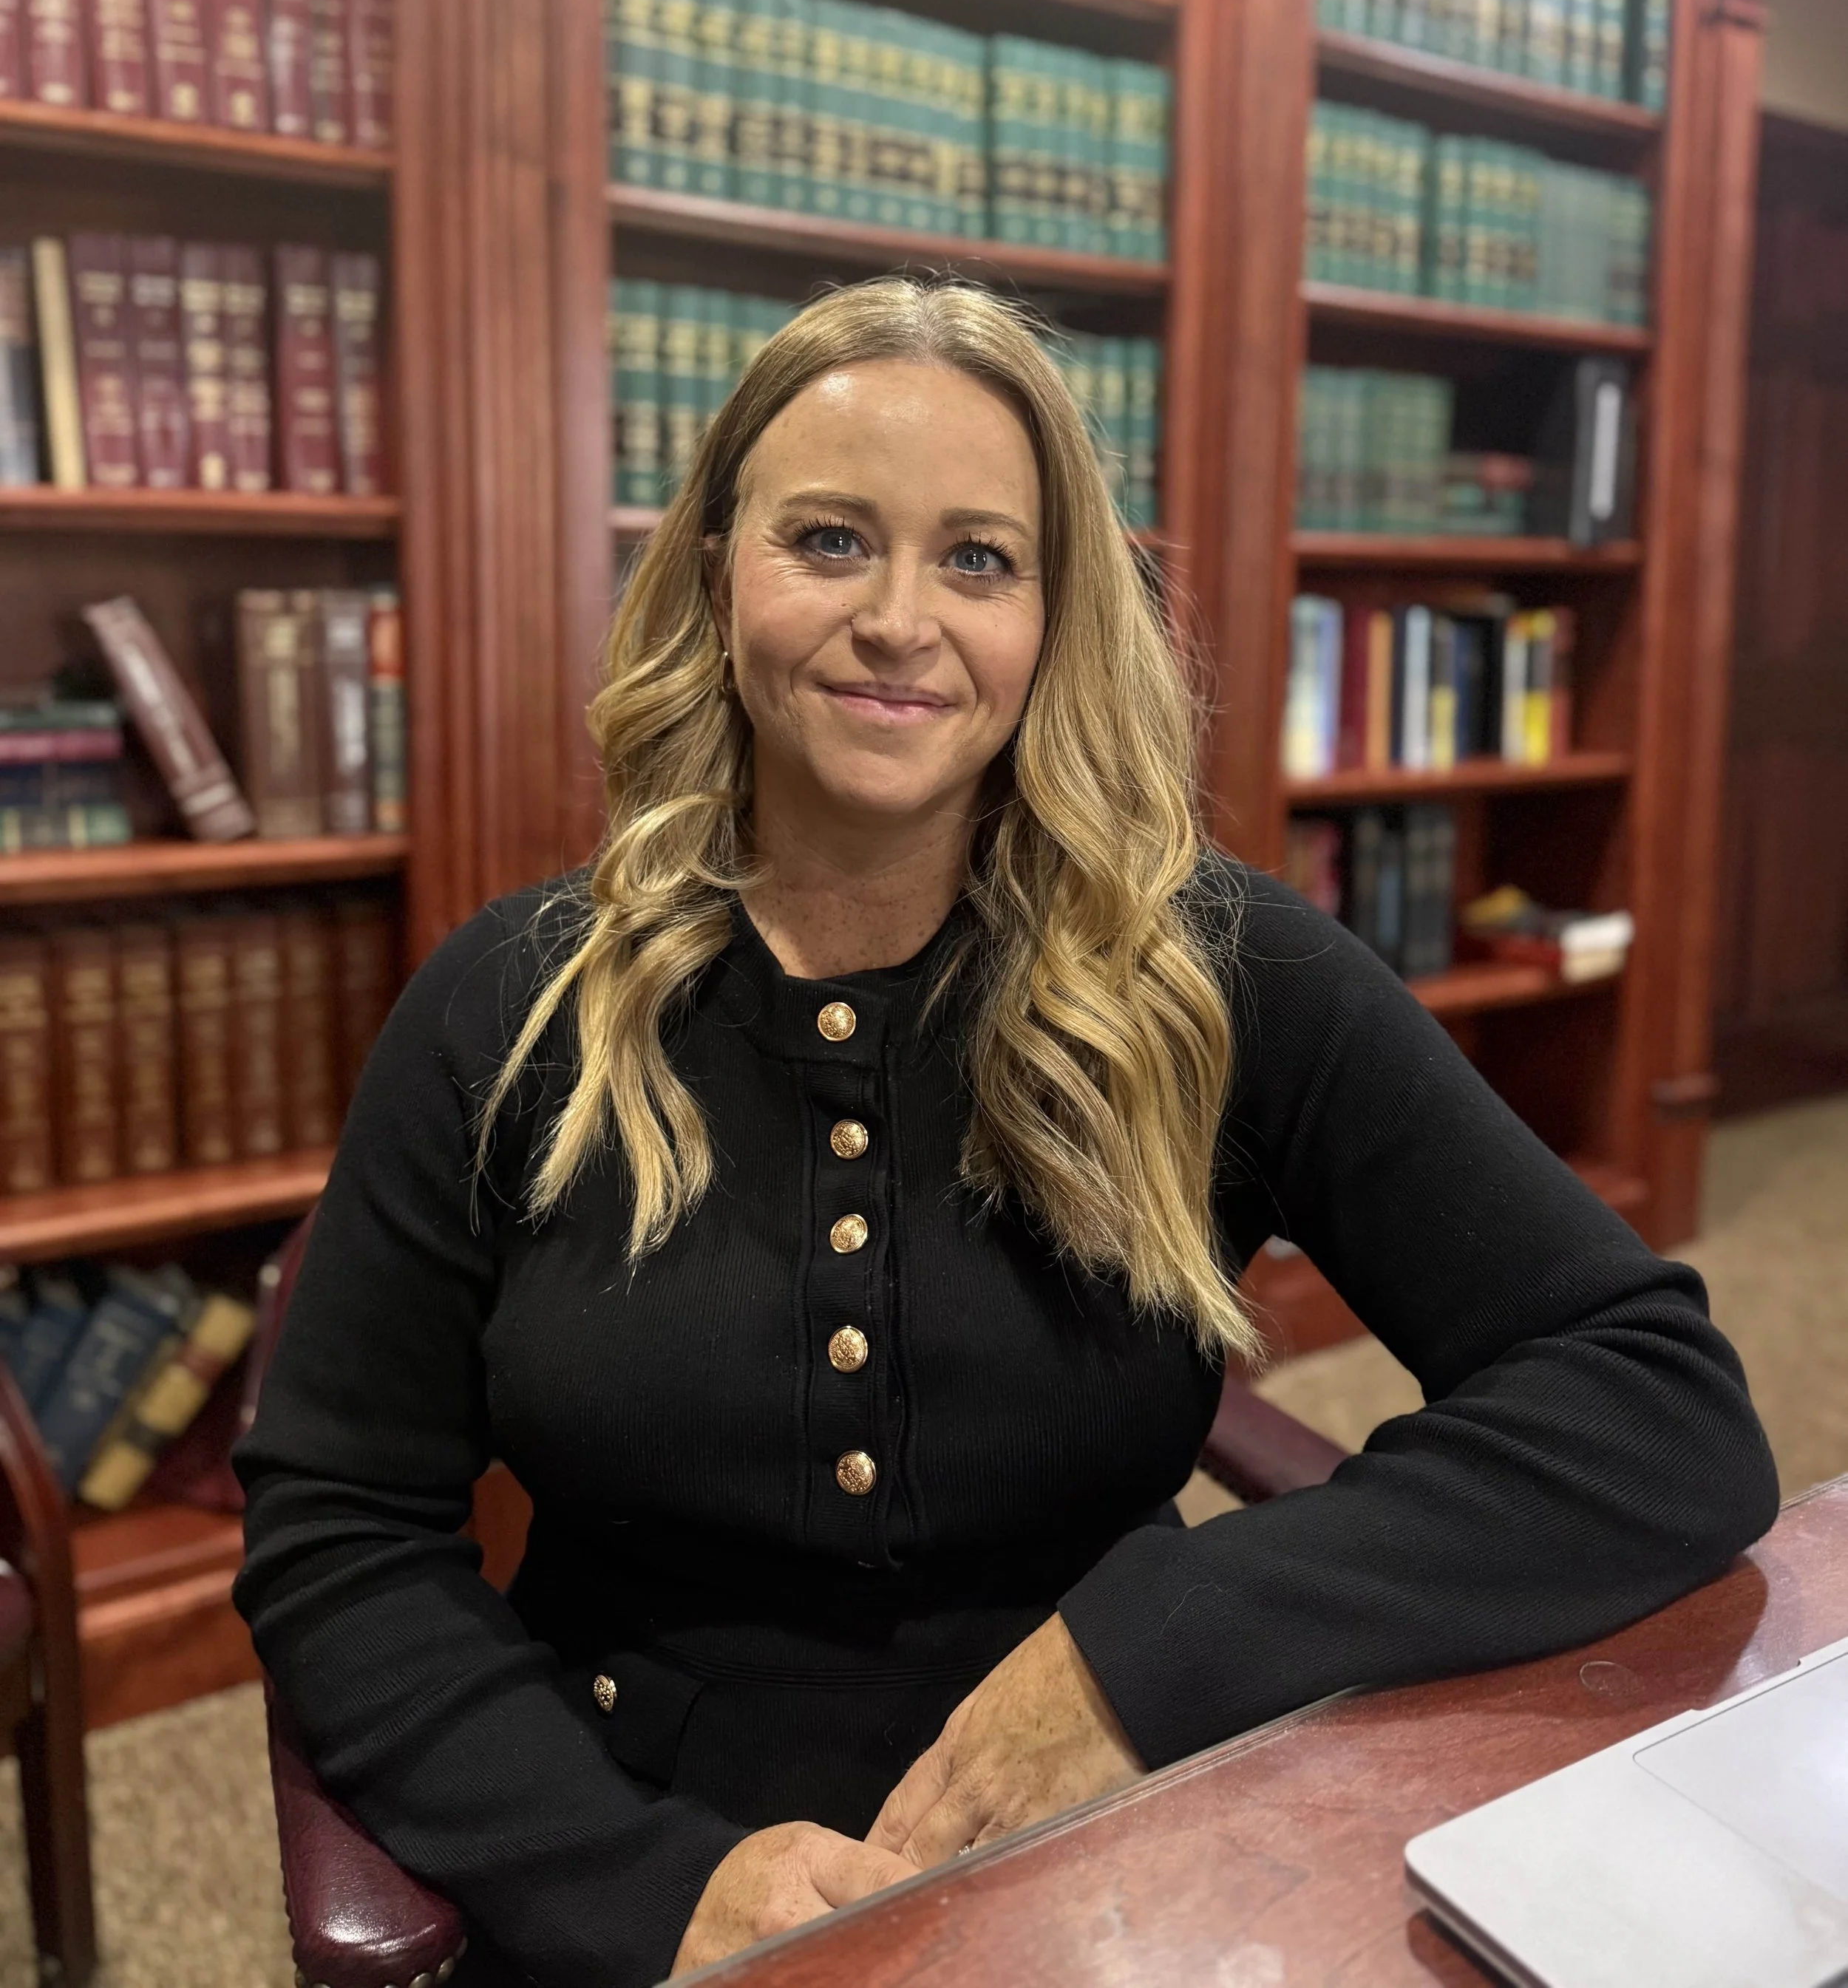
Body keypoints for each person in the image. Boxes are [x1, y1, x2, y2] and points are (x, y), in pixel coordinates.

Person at [236, 278, 1776, 1988]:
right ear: (710, 573)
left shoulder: (1215, 974)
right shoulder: (503, 1003)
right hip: (638, 1864)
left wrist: (1151, 1645)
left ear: (1055, 616)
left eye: (978, 558)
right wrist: (638, 1885)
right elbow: (339, 1530)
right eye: (827, 538)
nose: (902, 620)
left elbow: (1654, 1403)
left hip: (1135, 1855)